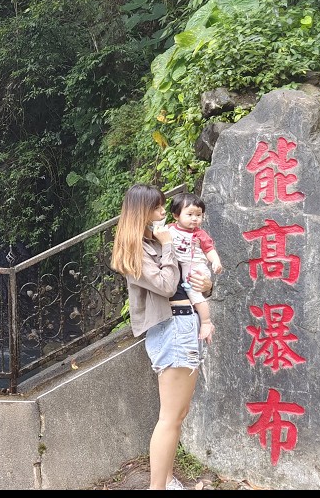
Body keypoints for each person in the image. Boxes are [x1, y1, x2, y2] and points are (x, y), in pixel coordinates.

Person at [110, 184, 212, 490]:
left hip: (184, 323)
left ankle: (166, 480)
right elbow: (167, 287)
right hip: (173, 328)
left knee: (178, 413)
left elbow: (189, 283)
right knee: (170, 417)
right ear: (141, 212)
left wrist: (206, 285)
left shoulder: (157, 240)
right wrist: (168, 245)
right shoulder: (135, 250)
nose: (163, 214)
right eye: (157, 209)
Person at [166, 192, 222, 345]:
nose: (195, 218)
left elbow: (209, 249)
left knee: (195, 295)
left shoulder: (199, 234)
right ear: (176, 215)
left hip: (196, 267)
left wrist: (216, 262)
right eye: (190, 214)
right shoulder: (169, 230)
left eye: (198, 215)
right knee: (192, 294)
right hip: (184, 268)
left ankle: (206, 322)